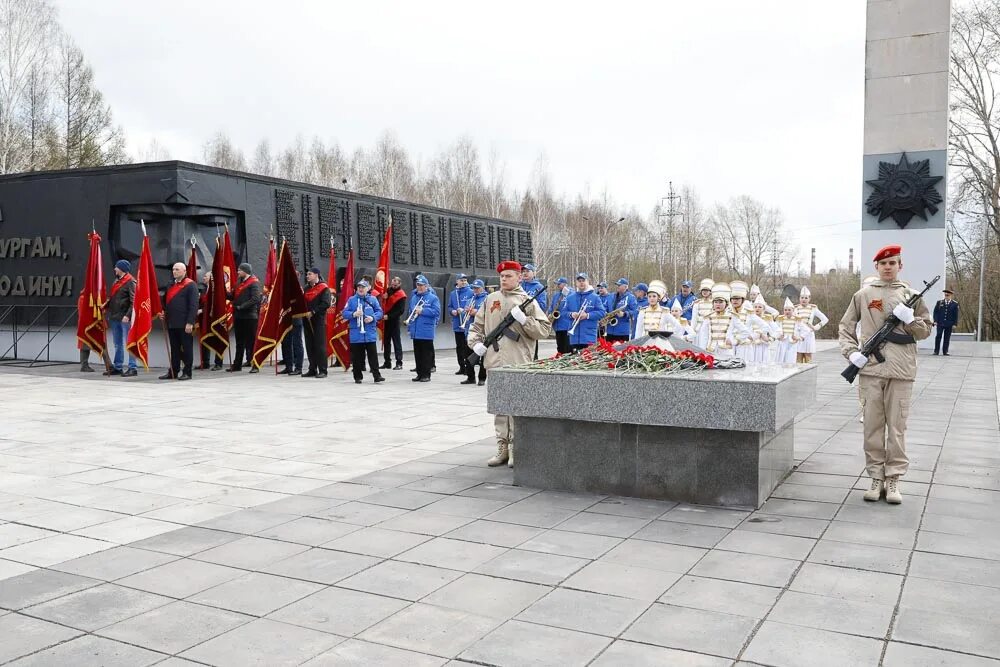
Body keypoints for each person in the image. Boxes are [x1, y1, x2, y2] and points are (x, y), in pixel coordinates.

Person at [838, 244, 932, 505]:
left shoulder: (912, 295)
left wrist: (911, 319)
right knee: (872, 427)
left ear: (900, 266)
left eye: (893, 263)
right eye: (884, 263)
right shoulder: (864, 294)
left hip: (901, 372)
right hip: (871, 370)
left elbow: (925, 331)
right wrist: (851, 352)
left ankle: (893, 480)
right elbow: (846, 326)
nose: (888, 267)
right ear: (876, 267)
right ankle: (876, 477)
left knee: (898, 428)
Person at [468, 260, 552, 467]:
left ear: (519, 277)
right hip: (494, 361)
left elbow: (543, 330)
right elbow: (477, 326)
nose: (504, 279)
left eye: (508, 276)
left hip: (518, 361)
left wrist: (525, 320)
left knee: (516, 405)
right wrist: (476, 344)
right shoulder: (490, 299)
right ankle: (502, 446)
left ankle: (516, 447)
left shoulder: (528, 301)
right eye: (502, 276)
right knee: (499, 406)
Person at [159, 262, 198, 380]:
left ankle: (187, 372)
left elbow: (193, 305)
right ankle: (173, 371)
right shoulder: (170, 284)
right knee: (174, 349)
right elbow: (166, 302)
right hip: (172, 322)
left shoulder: (191, 285)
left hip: (185, 323)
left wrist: (190, 322)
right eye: (173, 269)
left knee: (187, 348)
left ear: (184, 271)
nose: (174, 271)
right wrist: (163, 313)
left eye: (177, 269)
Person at [343, 279, 385, 384]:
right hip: (356, 333)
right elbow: (344, 313)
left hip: (369, 333)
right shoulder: (351, 300)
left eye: (363, 287)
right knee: (357, 357)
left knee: (373, 356)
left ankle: (377, 376)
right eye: (359, 287)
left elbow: (380, 312)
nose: (361, 289)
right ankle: (357, 377)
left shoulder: (373, 299)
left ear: (368, 288)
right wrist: (353, 314)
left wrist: (372, 317)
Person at [696, 282, 751, 358]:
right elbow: (703, 335)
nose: (718, 304)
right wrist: (702, 351)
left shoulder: (732, 316)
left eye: (721, 302)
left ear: (726, 304)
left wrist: (734, 341)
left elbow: (745, 332)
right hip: (710, 350)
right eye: (716, 302)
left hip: (726, 351)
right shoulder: (708, 317)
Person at [226, 263, 262, 373]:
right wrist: (222, 290)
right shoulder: (238, 282)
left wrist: (242, 307)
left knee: (251, 342)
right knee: (239, 342)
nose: (238, 272)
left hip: (250, 317)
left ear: (245, 271)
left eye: (239, 270)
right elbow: (232, 296)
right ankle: (237, 365)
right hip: (239, 316)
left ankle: (255, 364)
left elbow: (255, 299)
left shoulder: (254, 282)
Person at [106, 259, 138, 377]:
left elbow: (133, 301)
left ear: (121, 269)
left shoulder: (131, 281)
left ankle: (132, 367)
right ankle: (118, 366)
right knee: (117, 343)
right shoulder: (116, 281)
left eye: (116, 267)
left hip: (125, 318)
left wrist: (128, 315)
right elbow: (113, 297)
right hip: (115, 316)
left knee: (129, 342)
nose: (115, 269)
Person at [407, 274, 441, 382]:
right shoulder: (414, 297)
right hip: (416, 330)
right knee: (418, 353)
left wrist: (423, 311)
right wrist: (409, 327)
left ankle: (426, 375)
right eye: (418, 285)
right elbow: (410, 312)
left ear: (427, 286)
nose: (420, 287)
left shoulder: (433, 298)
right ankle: (419, 373)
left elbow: (436, 312)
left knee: (426, 354)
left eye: (422, 285)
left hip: (426, 330)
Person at [564, 272, 606, 351]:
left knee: (588, 361)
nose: (581, 283)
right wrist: (571, 314)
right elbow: (563, 312)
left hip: (589, 337)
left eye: (583, 280)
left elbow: (602, 312)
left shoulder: (595, 297)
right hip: (574, 338)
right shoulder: (570, 298)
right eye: (579, 281)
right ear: (576, 283)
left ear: (587, 282)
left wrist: (587, 315)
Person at [302, 267, 332, 378]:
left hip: (318, 320)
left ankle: (323, 370)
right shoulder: (306, 288)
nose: (307, 276)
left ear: (316, 275)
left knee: (320, 345)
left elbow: (326, 303)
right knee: (310, 345)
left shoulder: (324, 288)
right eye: (307, 274)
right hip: (307, 320)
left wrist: (313, 312)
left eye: (310, 274)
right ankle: (312, 369)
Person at [634, 281, 681, 350]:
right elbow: (638, 330)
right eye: (649, 296)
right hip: (645, 344)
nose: (651, 298)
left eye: (654, 296)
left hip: (660, 345)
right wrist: (637, 345)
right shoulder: (642, 311)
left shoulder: (664, 312)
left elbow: (678, 326)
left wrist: (670, 338)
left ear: (658, 298)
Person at [448, 274, 475, 376]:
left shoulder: (471, 292)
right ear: (457, 282)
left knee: (467, 347)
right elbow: (449, 307)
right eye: (461, 280)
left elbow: (473, 305)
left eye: (465, 280)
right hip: (457, 324)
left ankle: (469, 368)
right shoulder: (453, 293)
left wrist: (463, 310)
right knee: (459, 347)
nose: (463, 282)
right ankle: (461, 367)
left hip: (467, 324)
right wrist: (453, 311)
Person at [197, 273, 224, 371]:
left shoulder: (216, 290)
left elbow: (215, 305)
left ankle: (218, 363)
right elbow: (203, 303)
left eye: (206, 276)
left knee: (218, 340)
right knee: (205, 339)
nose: (203, 277)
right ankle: (205, 363)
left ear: (211, 278)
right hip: (205, 320)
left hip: (215, 319)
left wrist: (203, 310)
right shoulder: (204, 289)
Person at [795, 286, 829, 363]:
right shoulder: (795, 309)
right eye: (802, 297)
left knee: (808, 357)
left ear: (809, 299)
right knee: (798, 357)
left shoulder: (813, 308)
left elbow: (825, 319)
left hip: (808, 335)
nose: (804, 299)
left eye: (806, 298)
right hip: (798, 334)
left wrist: (815, 327)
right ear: (799, 298)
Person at [465, 279, 489, 385]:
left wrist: (476, 312)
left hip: (483, 331)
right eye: (474, 288)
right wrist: (466, 311)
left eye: (477, 288)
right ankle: (470, 377)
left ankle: (482, 378)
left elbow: (489, 314)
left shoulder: (487, 299)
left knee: (483, 356)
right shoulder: (470, 299)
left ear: (482, 288)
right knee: (468, 356)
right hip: (471, 330)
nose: (475, 290)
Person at [380, 276, 406, 370]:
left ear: (399, 284)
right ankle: (387, 362)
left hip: (394, 321)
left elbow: (400, 310)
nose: (393, 284)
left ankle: (399, 363)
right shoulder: (387, 290)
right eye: (393, 282)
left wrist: (389, 316)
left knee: (396, 342)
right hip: (386, 321)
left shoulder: (401, 295)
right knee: (386, 342)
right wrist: (384, 297)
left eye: (396, 283)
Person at [774, 297, 806, 365]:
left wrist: (799, 338)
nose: (787, 311)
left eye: (789, 310)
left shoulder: (797, 319)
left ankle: (790, 369)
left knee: (790, 358)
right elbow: (775, 329)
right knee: (781, 358)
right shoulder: (780, 319)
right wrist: (778, 336)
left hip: (792, 342)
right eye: (785, 310)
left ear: (793, 310)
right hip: (783, 341)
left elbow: (806, 330)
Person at [604, 278, 637, 342]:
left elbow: (635, 312)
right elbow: (604, 307)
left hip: (622, 332)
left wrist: (624, 314)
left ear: (625, 287)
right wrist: (605, 313)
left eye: (619, 285)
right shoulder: (611, 296)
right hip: (609, 330)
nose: (617, 286)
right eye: (617, 285)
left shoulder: (631, 297)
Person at [751, 294, 778, 363]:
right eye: (755, 307)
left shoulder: (768, 318)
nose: (757, 308)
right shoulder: (750, 318)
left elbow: (778, 331)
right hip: (752, 345)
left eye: (760, 307)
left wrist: (770, 339)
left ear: (764, 309)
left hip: (763, 345)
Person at [932, 288, 959, 356]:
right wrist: (935, 321)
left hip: (949, 324)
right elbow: (936, 312)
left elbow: (956, 315)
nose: (946, 296)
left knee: (947, 338)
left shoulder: (955, 304)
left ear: (950, 296)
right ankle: (936, 351)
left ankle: (945, 351)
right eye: (945, 295)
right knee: (938, 336)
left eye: (948, 295)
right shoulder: (939, 302)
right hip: (940, 323)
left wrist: (955, 324)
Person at [550, 277, 573, 354]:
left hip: (567, 325)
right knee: (560, 348)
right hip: (557, 325)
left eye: (559, 284)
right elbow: (552, 307)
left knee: (567, 348)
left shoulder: (571, 294)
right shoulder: (556, 295)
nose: (557, 285)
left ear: (565, 284)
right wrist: (550, 315)